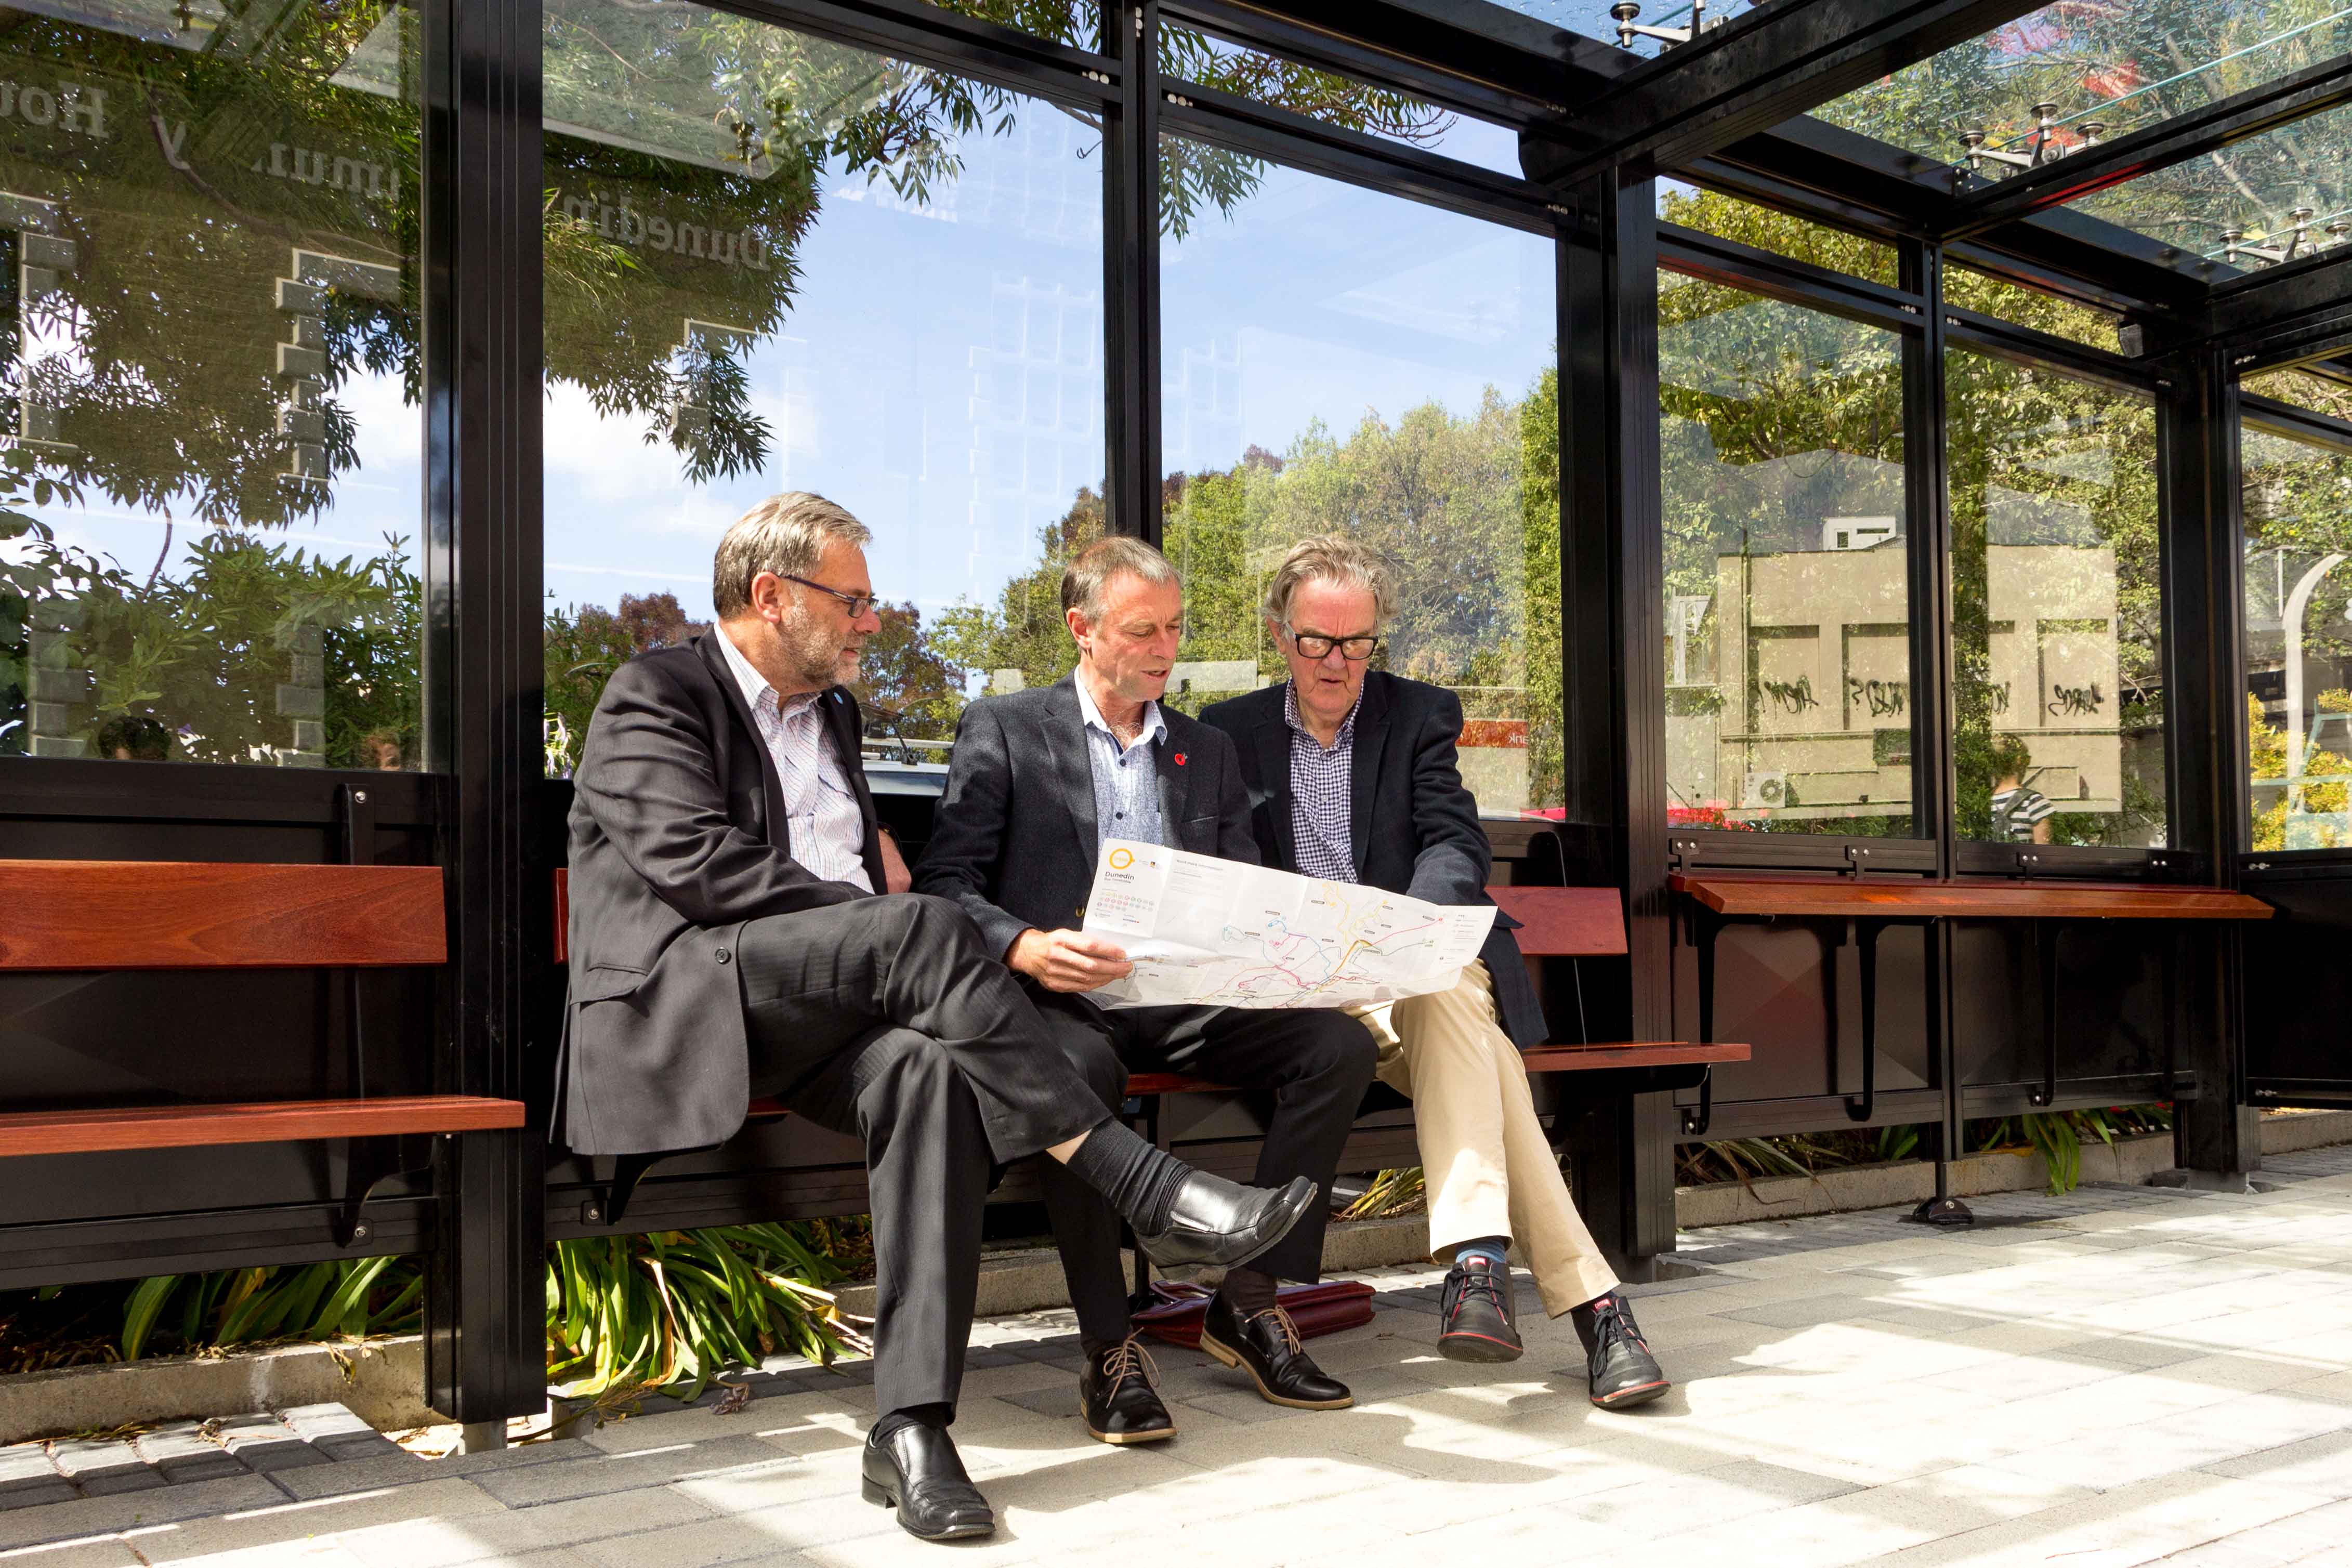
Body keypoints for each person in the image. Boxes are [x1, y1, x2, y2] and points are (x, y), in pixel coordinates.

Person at [560, 495, 1318, 1543]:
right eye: (853, 599)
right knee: (921, 929)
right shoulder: (655, 692)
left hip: (849, 1003)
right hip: (704, 990)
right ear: (772, 595)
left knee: (924, 1073)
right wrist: (881, 919)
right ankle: (1145, 1183)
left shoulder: (831, 713)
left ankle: (910, 1425)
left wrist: (882, 905)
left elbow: (854, 857)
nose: (872, 620)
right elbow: (702, 868)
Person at [918, 536, 1380, 1434]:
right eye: (1142, 630)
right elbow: (945, 886)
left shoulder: (1204, 751)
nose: (1165, 649)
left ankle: (1247, 1299)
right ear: (1081, 629)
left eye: (1174, 628)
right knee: (1080, 1075)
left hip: (1180, 997)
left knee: (1338, 1044)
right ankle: (1108, 1349)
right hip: (1058, 1001)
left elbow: (1242, 887)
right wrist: (1026, 948)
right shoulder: (1006, 728)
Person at [1201, 535, 1670, 1410]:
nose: (1338, 664)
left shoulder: (1418, 716)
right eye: (1317, 642)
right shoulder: (1228, 735)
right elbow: (1226, 878)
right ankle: (1588, 1304)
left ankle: (1486, 1260)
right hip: (1304, 997)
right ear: (1280, 637)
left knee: (1445, 984)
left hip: (1409, 971)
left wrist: (1409, 931)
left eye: (1356, 643)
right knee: (1485, 1060)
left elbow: (1454, 841)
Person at [1989, 735, 2055, 844]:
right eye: (2027, 760)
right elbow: (2043, 853)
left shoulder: (1984, 803)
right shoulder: (2035, 803)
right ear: (2019, 761)